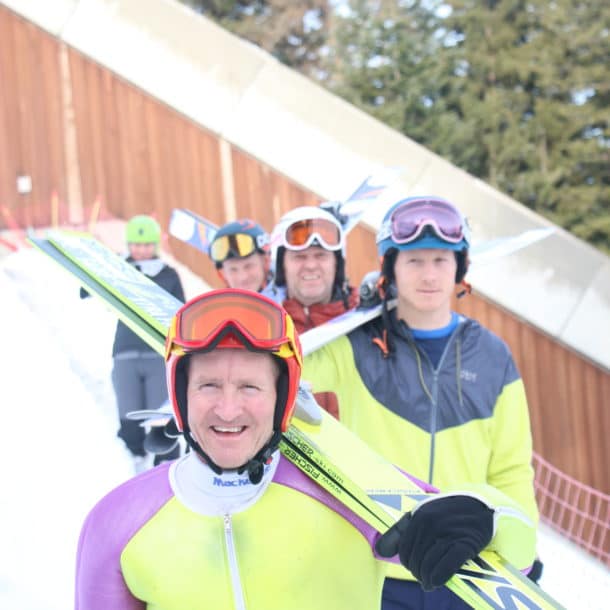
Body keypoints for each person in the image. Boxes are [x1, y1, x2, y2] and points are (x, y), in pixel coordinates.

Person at [75, 288, 535, 610]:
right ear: (180, 394)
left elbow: (513, 540)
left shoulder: (349, 494)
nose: (229, 408)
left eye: (251, 386)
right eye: (209, 385)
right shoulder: (118, 523)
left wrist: (481, 516)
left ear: (283, 398)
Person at [303, 196, 540, 609]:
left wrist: (522, 545)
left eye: (440, 261)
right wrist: (326, 299)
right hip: (375, 569)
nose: (428, 275)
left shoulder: (493, 356)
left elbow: (512, 468)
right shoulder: (358, 344)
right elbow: (283, 366)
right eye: (413, 261)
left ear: (459, 269)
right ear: (390, 268)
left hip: (467, 570)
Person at [89, 215, 185, 470]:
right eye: (136, 245)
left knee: (160, 419)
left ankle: (166, 471)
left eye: (146, 245)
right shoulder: (120, 270)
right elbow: (90, 286)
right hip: (125, 352)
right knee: (129, 417)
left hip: (156, 352)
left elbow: (182, 312)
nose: (141, 251)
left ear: (155, 246)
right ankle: (134, 463)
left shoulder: (168, 274)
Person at [263, 205, 359, 417]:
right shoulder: (264, 329)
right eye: (299, 257)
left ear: (337, 264)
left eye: (320, 255)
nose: (311, 265)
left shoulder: (368, 322)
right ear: (281, 267)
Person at [208, 219, 270, 292]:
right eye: (233, 270)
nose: (243, 277)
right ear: (223, 274)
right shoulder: (218, 303)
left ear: (265, 262)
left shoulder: (284, 299)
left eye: (249, 266)